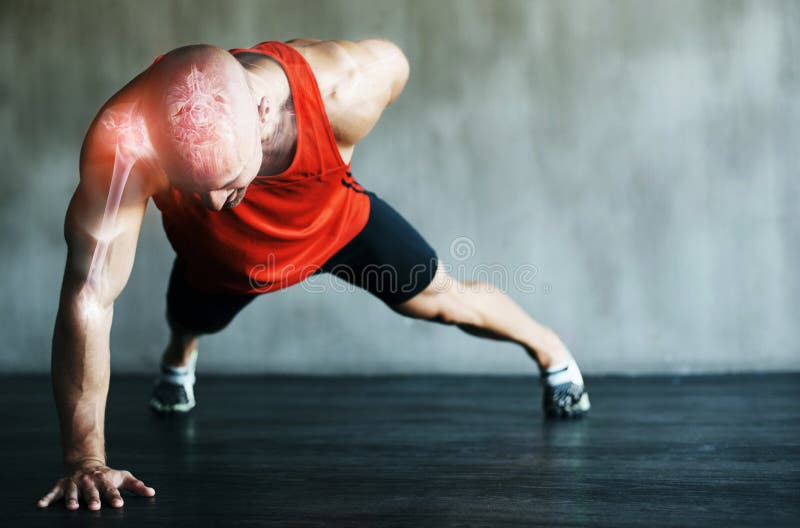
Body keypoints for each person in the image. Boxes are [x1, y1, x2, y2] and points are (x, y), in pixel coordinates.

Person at [37, 38, 590, 511]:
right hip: (222, 261)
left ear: (259, 112)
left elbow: (394, 63)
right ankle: (179, 360)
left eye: (229, 181)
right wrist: (86, 459)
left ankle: (552, 351)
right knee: (188, 318)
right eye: (190, 188)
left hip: (336, 225)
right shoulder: (125, 143)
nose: (212, 202)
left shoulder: (342, 85)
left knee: (442, 298)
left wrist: (334, 144)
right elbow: (89, 298)